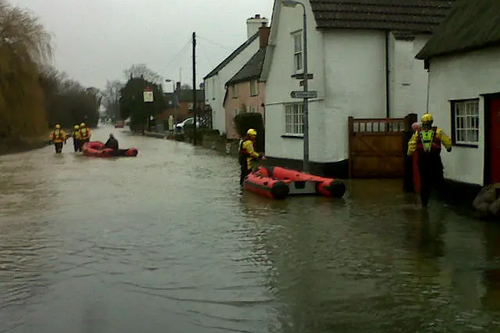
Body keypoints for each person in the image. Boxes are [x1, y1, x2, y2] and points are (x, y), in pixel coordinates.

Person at [407, 113, 452, 207]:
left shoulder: (417, 133)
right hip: (435, 159)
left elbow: (412, 143)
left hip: (423, 160)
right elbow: (446, 140)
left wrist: (409, 153)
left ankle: (424, 203)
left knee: (424, 182)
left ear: (422, 123)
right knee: (439, 180)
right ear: (431, 122)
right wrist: (448, 147)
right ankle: (444, 201)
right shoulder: (438, 131)